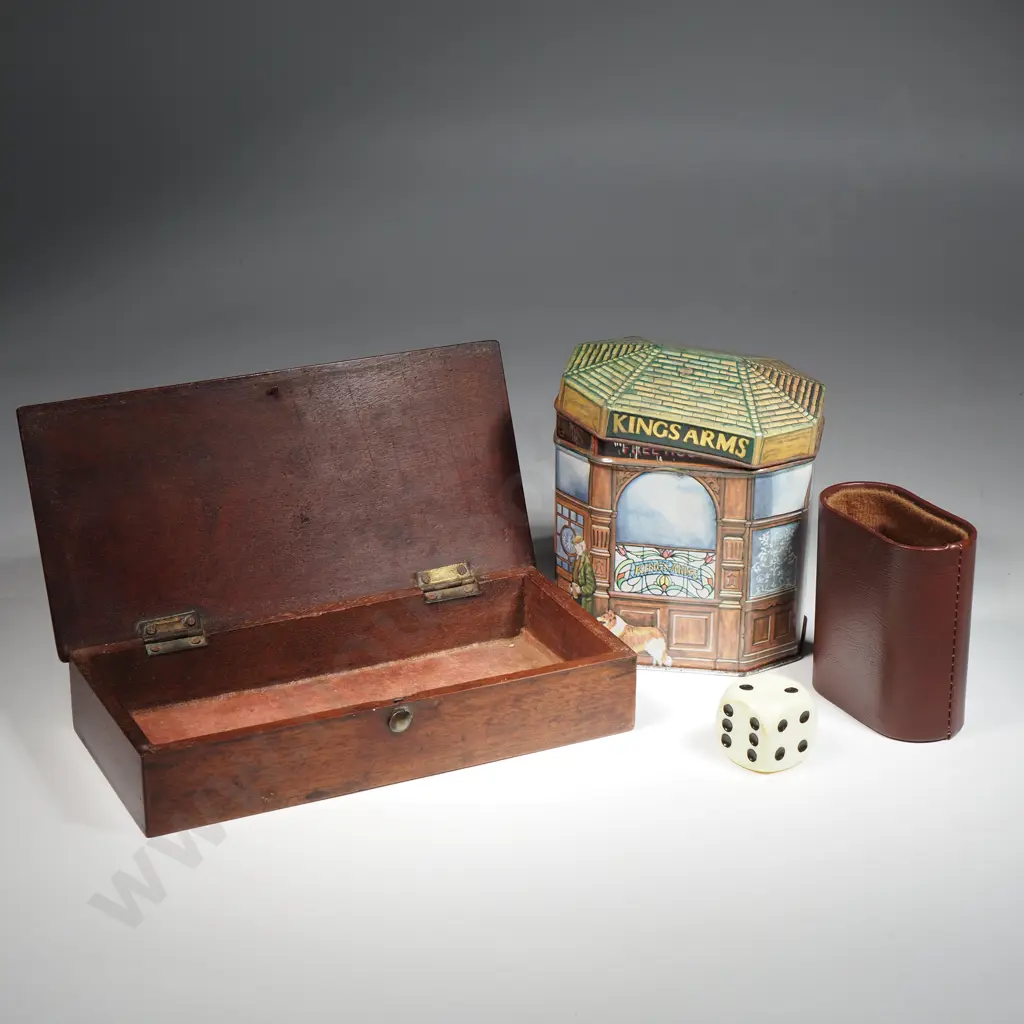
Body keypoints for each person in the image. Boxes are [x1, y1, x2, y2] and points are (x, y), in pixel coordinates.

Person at [569, 534, 596, 615]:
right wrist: (572, 588)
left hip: (585, 602)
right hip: (576, 598)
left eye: (578, 545)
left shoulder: (586, 563)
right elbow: (574, 578)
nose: (576, 548)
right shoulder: (575, 561)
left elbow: (591, 587)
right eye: (575, 545)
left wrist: (580, 590)